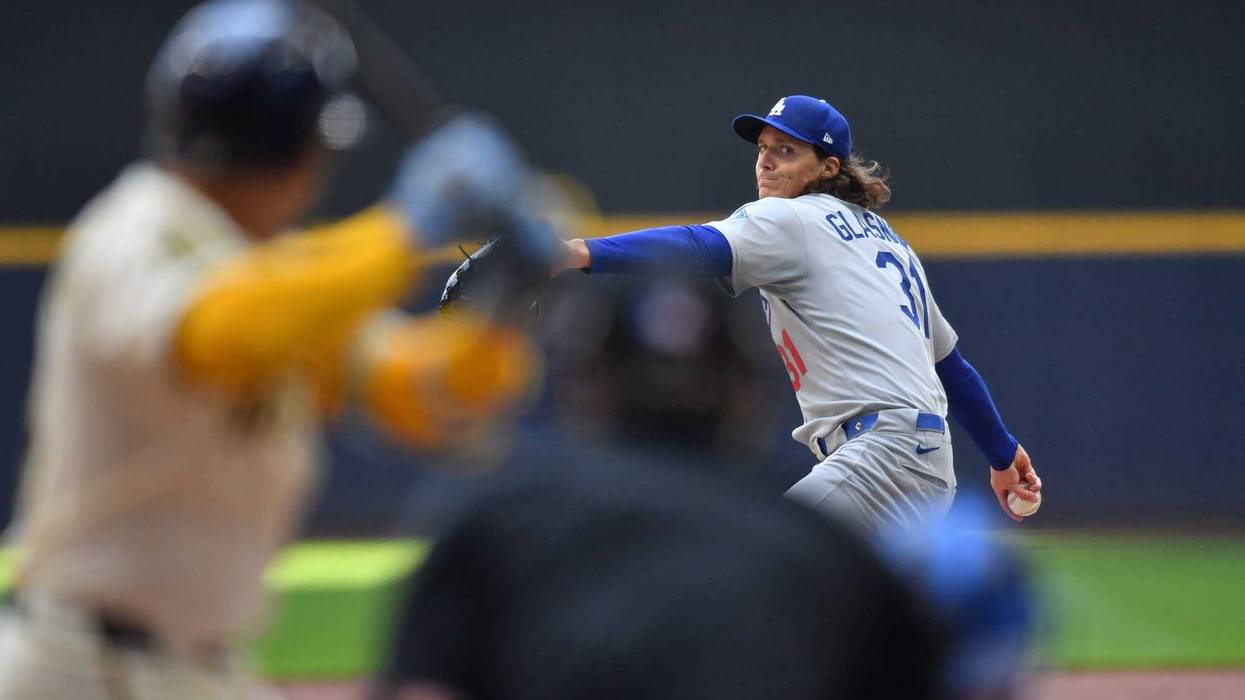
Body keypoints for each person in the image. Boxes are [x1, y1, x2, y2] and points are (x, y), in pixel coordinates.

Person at [0, 1, 549, 697]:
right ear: (292, 150)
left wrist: (510, 308)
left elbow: (422, 394)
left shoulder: (270, 270)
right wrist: (406, 229)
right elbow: (224, 334)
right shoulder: (135, 229)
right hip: (82, 669)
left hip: (201, 671)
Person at [555, 94, 1041, 531]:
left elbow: (697, 245)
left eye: (786, 151)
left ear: (829, 168)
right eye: (762, 148)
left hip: (881, 455)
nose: (766, 162)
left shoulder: (792, 218)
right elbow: (951, 368)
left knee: (753, 556)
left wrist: (574, 252)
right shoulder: (885, 238)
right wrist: (1001, 452)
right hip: (921, 460)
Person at [373, 459, 946, 700]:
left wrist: (579, 253)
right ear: (743, 397)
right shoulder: (818, 544)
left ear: (587, 388)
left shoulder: (499, 517)